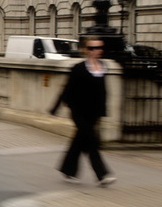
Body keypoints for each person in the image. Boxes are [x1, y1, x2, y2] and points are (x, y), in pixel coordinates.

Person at [50, 36, 116, 186]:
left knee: (80, 141)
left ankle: (67, 169)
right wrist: (55, 108)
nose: (96, 51)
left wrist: (103, 110)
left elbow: (103, 92)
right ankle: (102, 174)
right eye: (92, 48)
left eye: (99, 48)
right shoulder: (78, 68)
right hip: (78, 111)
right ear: (86, 50)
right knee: (91, 142)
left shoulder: (102, 67)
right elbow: (66, 90)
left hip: (93, 113)